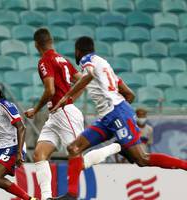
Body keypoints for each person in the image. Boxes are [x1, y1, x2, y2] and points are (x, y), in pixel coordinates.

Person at [52, 36, 187, 200]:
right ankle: (71, 195)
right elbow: (130, 94)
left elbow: (88, 76)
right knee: (74, 148)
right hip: (109, 117)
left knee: (142, 159)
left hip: (117, 113)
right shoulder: (104, 64)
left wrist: (67, 96)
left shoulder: (87, 60)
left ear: (77, 51)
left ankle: (185, 165)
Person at [25, 28, 120, 200]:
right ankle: (46, 197)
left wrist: (35, 109)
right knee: (39, 154)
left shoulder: (45, 61)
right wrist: (69, 98)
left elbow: (50, 89)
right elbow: (82, 80)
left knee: (78, 159)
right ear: (51, 41)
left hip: (64, 113)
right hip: (56, 115)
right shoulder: (63, 59)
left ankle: (116, 147)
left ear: (36, 44)